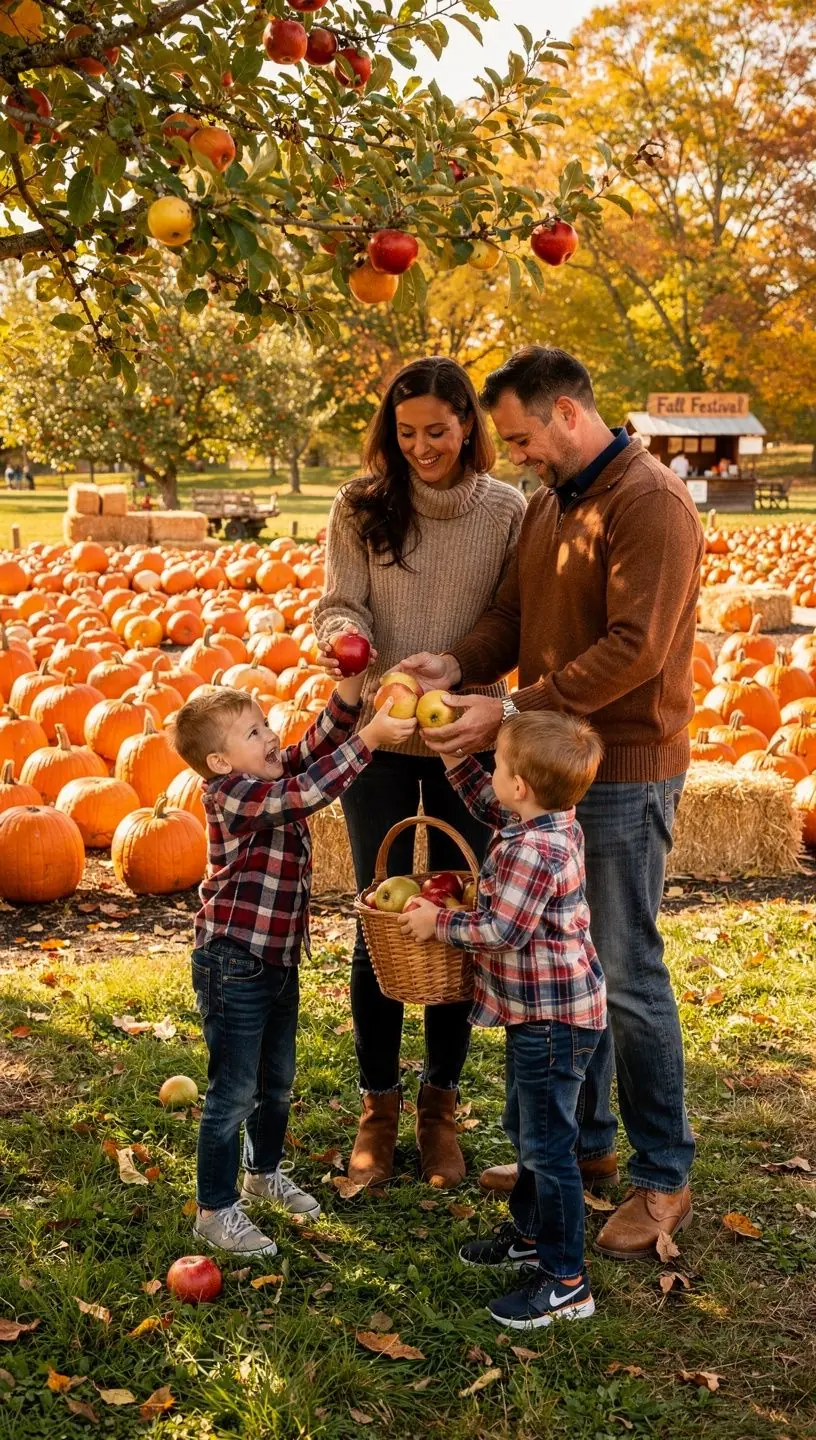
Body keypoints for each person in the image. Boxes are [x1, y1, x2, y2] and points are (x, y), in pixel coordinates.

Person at [397, 346, 703, 1259]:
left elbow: (635, 650)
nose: (517, 454)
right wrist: (458, 666)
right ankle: (585, 1149)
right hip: (559, 760)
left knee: (624, 967)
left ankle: (663, 1175)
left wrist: (516, 706)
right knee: (571, 959)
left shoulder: (649, 504)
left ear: (568, 413)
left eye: (525, 436)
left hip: (628, 762)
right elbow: (512, 619)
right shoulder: (547, 508)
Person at [313, 356, 526, 1191]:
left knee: (457, 915)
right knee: (381, 915)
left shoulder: (507, 511)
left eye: (437, 431)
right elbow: (343, 601)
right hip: (380, 738)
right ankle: (379, 1106)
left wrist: (470, 690)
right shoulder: (363, 504)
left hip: (464, 738)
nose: (422, 447)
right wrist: (344, 639)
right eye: (405, 434)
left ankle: (440, 1108)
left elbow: (508, 618)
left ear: (468, 425)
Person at [170, 674, 416, 1257]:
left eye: (265, 724)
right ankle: (215, 1209)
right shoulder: (231, 794)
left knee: (275, 1083)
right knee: (233, 1091)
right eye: (254, 732)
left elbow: (314, 750)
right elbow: (308, 791)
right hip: (232, 961)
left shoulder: (268, 770)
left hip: (275, 960)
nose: (271, 735)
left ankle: (263, 1173)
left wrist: (351, 695)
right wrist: (373, 739)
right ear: (219, 760)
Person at [399, 711, 606, 1329]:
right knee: (528, 1127)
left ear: (520, 787)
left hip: (552, 1018)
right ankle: (531, 1235)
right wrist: (453, 760)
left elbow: (502, 930)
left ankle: (567, 1280)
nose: (491, 776)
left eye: (497, 767)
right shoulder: (545, 822)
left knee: (548, 1146)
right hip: (544, 1013)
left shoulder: (535, 852)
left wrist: (439, 922)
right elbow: (489, 806)